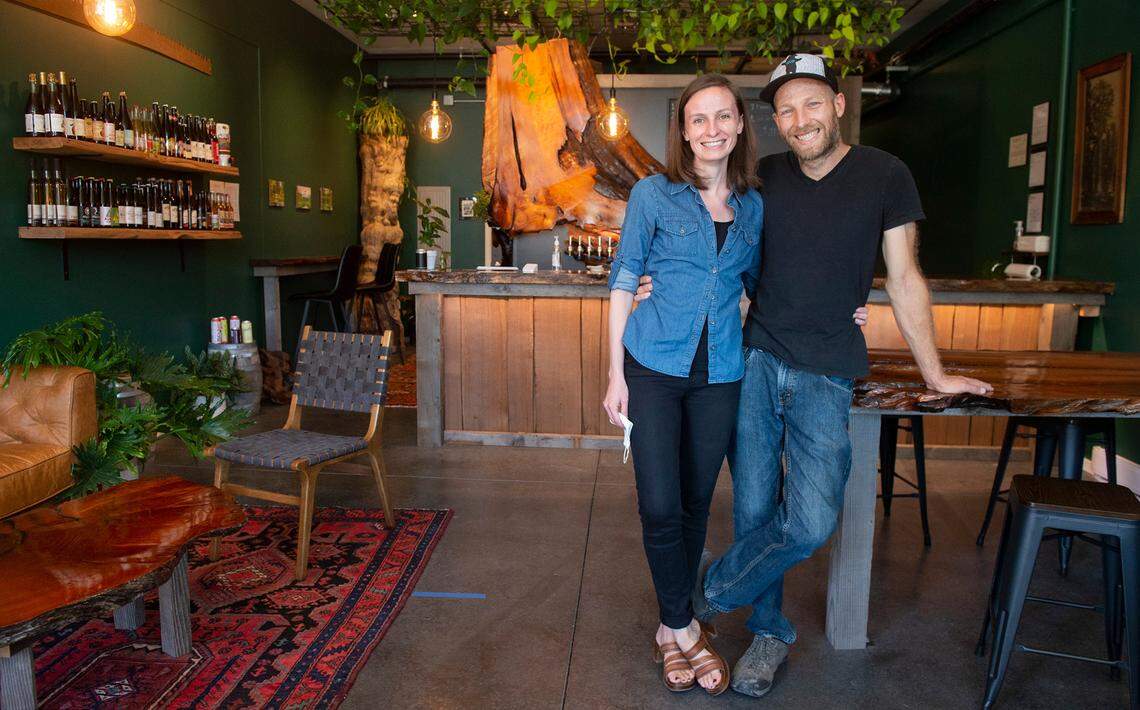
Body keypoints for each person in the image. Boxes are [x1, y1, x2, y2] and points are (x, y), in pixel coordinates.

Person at [633, 54, 992, 698]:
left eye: (812, 104)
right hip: (756, 359)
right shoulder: (764, 178)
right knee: (752, 508)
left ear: (838, 105)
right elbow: (716, 253)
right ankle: (767, 632)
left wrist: (933, 373)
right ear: (773, 120)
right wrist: (657, 285)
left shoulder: (886, 175)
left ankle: (700, 596)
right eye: (787, 109)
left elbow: (905, 275)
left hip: (828, 369)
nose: (800, 120)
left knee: (810, 522)